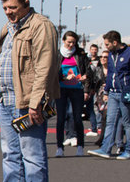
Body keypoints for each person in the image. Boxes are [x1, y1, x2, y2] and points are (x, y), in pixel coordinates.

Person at [0, 0, 59, 182]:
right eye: (5, 8)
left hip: (26, 102)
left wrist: (36, 102)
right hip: (6, 100)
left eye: (13, 8)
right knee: (10, 153)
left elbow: (45, 66)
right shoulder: (8, 28)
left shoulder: (40, 25)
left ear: (26, 3)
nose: (8, 13)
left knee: (32, 155)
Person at [89, 31, 130, 159]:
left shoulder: (128, 53)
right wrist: (106, 90)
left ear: (115, 42)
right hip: (112, 94)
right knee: (110, 122)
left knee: (127, 123)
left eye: (107, 44)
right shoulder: (111, 55)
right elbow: (110, 74)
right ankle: (105, 149)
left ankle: (128, 150)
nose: (105, 47)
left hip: (125, 93)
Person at [54, 31, 89, 157]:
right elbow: (52, 71)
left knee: (77, 118)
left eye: (73, 42)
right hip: (61, 90)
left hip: (77, 89)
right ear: (63, 40)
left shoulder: (80, 53)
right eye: (69, 42)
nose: (71, 45)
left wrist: (85, 77)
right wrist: (63, 77)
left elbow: (87, 70)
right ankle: (59, 147)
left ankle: (80, 146)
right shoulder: (57, 54)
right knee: (61, 119)